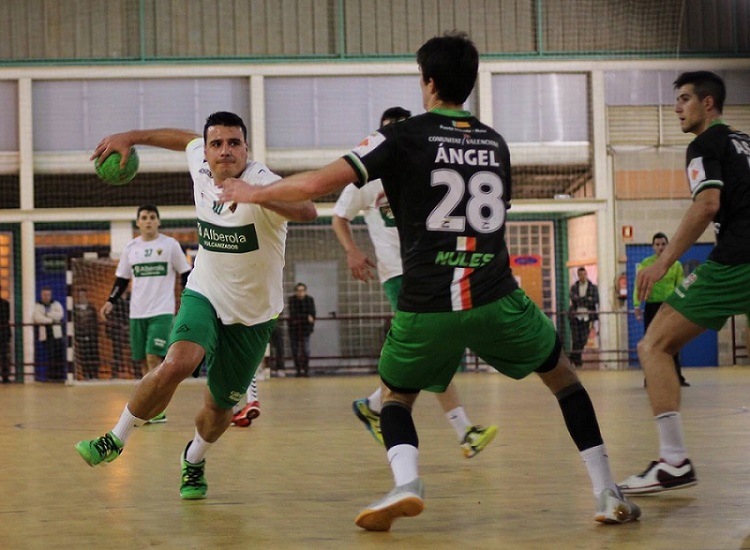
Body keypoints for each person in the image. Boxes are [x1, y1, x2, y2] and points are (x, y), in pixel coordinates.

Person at [218, 32, 640, 529]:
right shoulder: (496, 143)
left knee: (395, 397)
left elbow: (313, 186)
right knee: (565, 381)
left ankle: (407, 481)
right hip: (497, 297)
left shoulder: (401, 137)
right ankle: (607, 492)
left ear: (429, 81)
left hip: (424, 304)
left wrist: (251, 190)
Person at [75, 111, 316, 501]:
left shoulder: (261, 180)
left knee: (219, 410)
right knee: (178, 362)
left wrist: (255, 195)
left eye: (234, 143)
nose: (225, 151)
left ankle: (194, 458)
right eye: (216, 144)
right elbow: (179, 138)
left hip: (253, 315)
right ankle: (114, 438)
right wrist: (130, 135)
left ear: (246, 148)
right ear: (206, 150)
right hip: (205, 292)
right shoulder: (200, 166)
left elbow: (307, 210)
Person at [333, 106, 498, 458]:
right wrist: (352, 251)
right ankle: (464, 431)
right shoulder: (369, 178)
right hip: (397, 273)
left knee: (432, 348)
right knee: (431, 346)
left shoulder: (427, 171)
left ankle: (374, 405)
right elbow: (338, 217)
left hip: (432, 268)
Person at [619, 71, 750, 495]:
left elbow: (706, 204)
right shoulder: (745, 143)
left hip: (738, 259)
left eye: (685, 99)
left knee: (653, 345)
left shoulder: (704, 144)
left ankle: (673, 461)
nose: (677, 107)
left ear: (708, 104)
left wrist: (663, 262)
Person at [100, 204, 192, 421]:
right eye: (144, 217)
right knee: (141, 361)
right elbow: (122, 279)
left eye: (152, 217)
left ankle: (157, 410)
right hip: (137, 312)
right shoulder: (131, 248)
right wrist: (110, 301)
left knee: (153, 357)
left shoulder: (170, 245)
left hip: (161, 311)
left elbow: (186, 274)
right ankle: (152, 406)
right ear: (138, 222)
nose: (148, 221)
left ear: (158, 221)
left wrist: (188, 302)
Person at [633, 232, 689, 387]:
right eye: (657, 244)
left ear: (667, 245)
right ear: (653, 247)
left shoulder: (676, 265)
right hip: (652, 306)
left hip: (670, 307)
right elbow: (639, 285)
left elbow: (681, 286)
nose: (660, 247)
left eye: (663, 244)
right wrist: (637, 305)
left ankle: (677, 377)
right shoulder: (646, 263)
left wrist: (681, 305)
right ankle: (650, 379)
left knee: (673, 341)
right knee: (650, 342)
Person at [32, 286, 65, 381]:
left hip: (58, 335)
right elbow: (37, 318)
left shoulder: (56, 304)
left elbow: (60, 315)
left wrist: (46, 315)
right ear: (41, 295)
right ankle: (50, 376)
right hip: (46, 336)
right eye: (44, 295)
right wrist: (51, 320)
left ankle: (60, 376)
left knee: (59, 356)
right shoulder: (38, 305)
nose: (46, 297)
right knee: (50, 357)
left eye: (48, 295)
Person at [568, 267, 599, 368]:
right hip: (576, 316)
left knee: (584, 339)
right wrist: (586, 299)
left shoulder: (593, 287)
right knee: (576, 339)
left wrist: (581, 299)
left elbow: (595, 300)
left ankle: (573, 357)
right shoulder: (574, 287)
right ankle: (577, 360)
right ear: (578, 275)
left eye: (584, 274)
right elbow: (573, 299)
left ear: (586, 274)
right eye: (580, 275)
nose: (582, 276)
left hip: (587, 316)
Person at [287, 282, 315, 377]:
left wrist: (304, 317)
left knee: (306, 350)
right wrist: (306, 316)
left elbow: (313, 314)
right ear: (295, 292)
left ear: (305, 291)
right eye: (298, 291)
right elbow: (294, 314)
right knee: (295, 350)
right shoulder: (292, 300)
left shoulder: (310, 300)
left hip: (306, 329)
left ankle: (306, 370)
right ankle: (298, 370)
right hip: (294, 329)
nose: (300, 293)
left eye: (302, 291)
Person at [73, 288, 100, 380]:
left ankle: (95, 374)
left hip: (92, 336)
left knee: (94, 355)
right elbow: (74, 323)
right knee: (83, 356)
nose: (82, 297)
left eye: (84, 295)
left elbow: (95, 322)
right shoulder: (74, 309)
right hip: (81, 336)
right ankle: (86, 375)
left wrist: (94, 334)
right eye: (80, 295)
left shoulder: (91, 308)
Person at [105, 291, 131, 378]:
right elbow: (109, 315)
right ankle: (115, 374)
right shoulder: (114, 299)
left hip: (130, 328)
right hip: (117, 330)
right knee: (116, 353)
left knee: (134, 352)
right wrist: (120, 326)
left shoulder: (132, 297)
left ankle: (137, 374)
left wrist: (128, 325)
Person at [0, 287, 10, 384]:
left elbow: (6, 319)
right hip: (4, 333)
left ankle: (5, 377)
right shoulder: (5, 303)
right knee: (4, 356)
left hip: (3, 334)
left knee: (4, 356)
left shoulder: (5, 303)